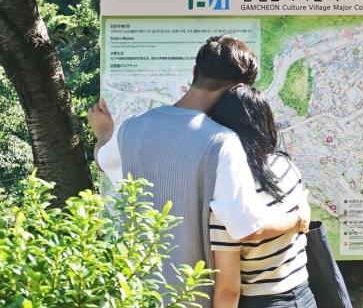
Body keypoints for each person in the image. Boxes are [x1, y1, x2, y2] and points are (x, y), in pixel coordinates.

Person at [87, 35, 310, 307]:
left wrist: (104, 133)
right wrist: (296, 220)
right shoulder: (222, 143)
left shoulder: (130, 128)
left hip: (139, 292)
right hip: (191, 296)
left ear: (195, 72)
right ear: (239, 89)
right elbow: (248, 228)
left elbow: (103, 159)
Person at [207, 85, 317, 308]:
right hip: (304, 295)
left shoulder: (229, 197)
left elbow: (228, 291)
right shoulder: (285, 166)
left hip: (261, 301)